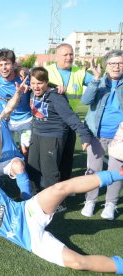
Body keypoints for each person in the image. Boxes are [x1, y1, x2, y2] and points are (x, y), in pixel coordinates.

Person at [0, 108, 123, 274]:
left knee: (61, 187)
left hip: (28, 210)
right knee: (78, 262)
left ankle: (118, 173)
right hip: (30, 239)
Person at [26, 67, 92, 211]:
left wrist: (84, 134)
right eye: (33, 83)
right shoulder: (31, 92)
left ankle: (57, 202)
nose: (36, 86)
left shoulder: (56, 97)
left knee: (50, 171)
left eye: (40, 83)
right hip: (37, 134)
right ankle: (35, 197)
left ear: (46, 83)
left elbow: (70, 117)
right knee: (32, 167)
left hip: (53, 136)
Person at [80, 50, 123, 220]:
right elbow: (86, 100)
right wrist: (96, 79)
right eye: (112, 63)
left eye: (120, 63)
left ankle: (111, 203)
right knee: (94, 169)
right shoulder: (98, 81)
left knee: (116, 171)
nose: (116, 66)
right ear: (106, 65)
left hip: (119, 137)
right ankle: (90, 200)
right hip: (96, 133)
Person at [45, 43, 94, 183]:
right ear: (57, 56)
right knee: (51, 158)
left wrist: (97, 76)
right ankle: (49, 189)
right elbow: (32, 83)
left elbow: (99, 83)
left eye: (71, 54)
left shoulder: (81, 72)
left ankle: (64, 187)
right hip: (51, 123)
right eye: (65, 54)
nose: (69, 57)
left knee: (67, 158)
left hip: (71, 123)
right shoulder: (46, 70)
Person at [0, 48, 32, 156]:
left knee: (25, 150)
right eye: (0, 65)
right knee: (3, 149)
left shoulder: (25, 79)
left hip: (25, 120)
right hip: (6, 120)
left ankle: (26, 170)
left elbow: (38, 76)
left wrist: (25, 71)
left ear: (14, 65)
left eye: (7, 64)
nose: (4, 68)